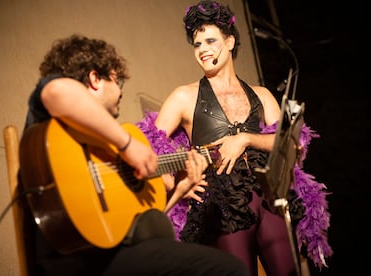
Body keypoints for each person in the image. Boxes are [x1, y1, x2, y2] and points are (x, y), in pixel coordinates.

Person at [19, 34, 249, 276]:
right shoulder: (59, 119)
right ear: (95, 79)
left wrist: (182, 188)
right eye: (118, 82)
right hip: (77, 261)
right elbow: (55, 91)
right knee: (230, 270)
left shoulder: (103, 148)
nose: (120, 93)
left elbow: (142, 230)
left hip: (112, 254)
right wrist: (128, 145)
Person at [136, 1, 333, 276]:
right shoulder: (183, 96)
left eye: (210, 41)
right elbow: (147, 148)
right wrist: (180, 183)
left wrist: (246, 139)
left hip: (268, 200)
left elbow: (293, 145)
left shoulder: (262, 94)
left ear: (229, 42)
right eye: (197, 44)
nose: (203, 49)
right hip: (220, 208)